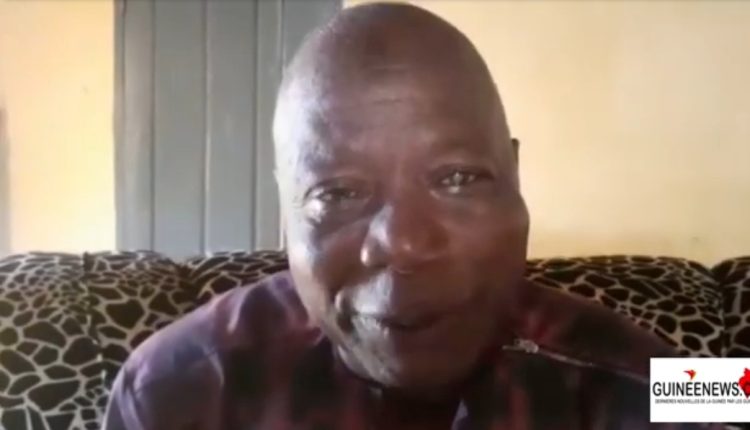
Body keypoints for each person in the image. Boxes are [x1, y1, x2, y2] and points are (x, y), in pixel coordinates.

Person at [103, 3, 722, 429]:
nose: (402, 242)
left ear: (514, 177)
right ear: (286, 210)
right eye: (337, 194)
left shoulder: (645, 374)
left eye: (457, 178)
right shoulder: (169, 393)